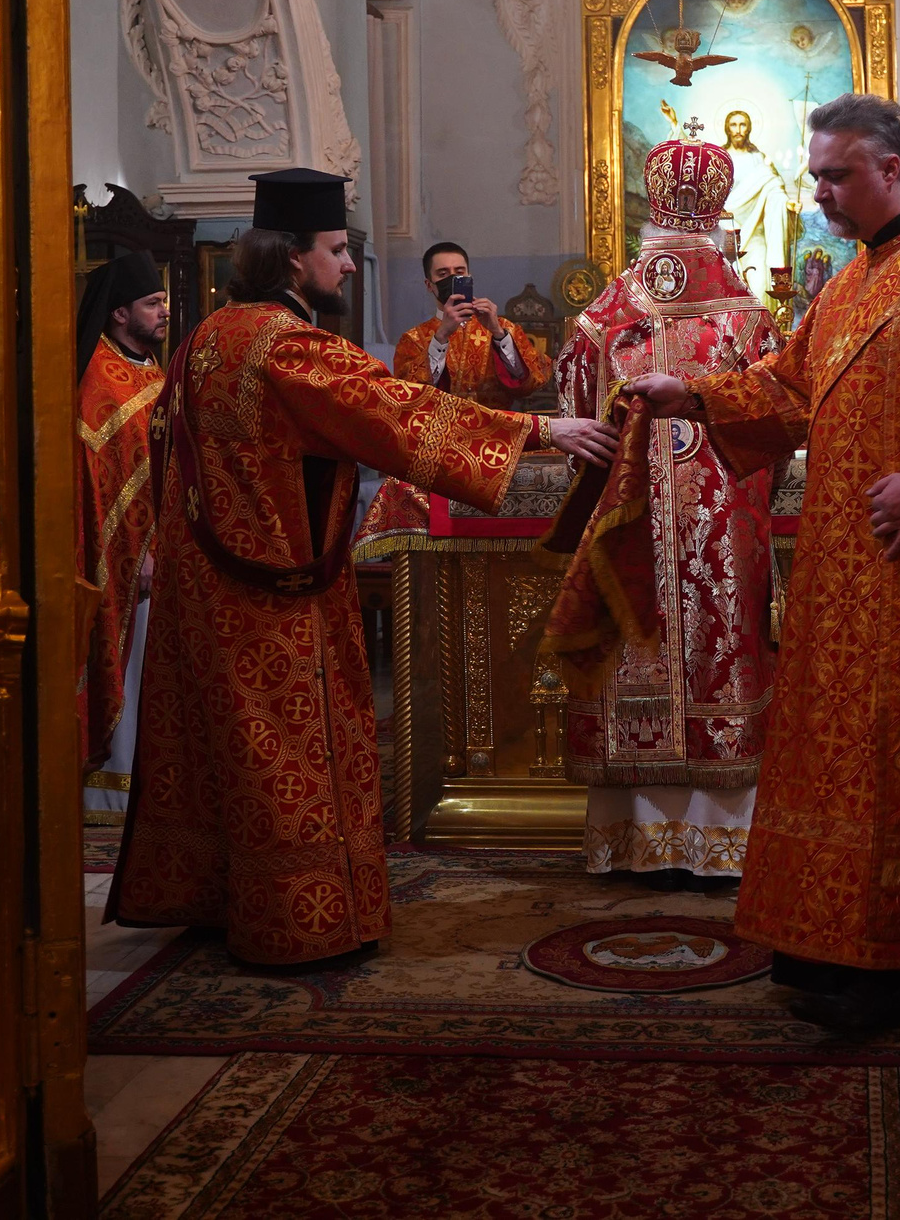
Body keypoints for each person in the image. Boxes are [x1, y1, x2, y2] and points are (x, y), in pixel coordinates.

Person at [108, 170, 617, 966]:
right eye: (338, 250)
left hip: (203, 589)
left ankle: (215, 897)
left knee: (224, 756)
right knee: (287, 756)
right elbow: (394, 409)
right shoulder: (287, 345)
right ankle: (297, 921)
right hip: (273, 597)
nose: (349, 266)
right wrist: (544, 436)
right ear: (290, 257)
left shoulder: (209, 335)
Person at [625, 94, 900, 1036]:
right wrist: (688, 391)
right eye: (815, 173)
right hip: (836, 564)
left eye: (836, 174)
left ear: (891, 168)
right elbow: (784, 389)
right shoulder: (851, 279)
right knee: (830, 753)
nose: (819, 191)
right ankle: (823, 941)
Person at [548, 134, 781, 884]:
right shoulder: (748, 319)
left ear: (652, 204)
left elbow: (577, 425)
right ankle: (722, 846)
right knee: (718, 648)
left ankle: (632, 841)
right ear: (718, 208)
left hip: (629, 522)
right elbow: (774, 428)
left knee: (633, 649)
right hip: (721, 528)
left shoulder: (602, 317)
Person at [74, 251, 168, 815]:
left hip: (163, 556)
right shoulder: (97, 381)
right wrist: (138, 557)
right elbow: (99, 491)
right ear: (118, 314)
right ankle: (113, 793)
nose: (163, 312)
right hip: (125, 566)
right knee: (129, 678)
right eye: (152, 304)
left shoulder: (150, 368)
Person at [391, 241, 553, 408]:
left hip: (495, 430)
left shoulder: (504, 328)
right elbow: (406, 395)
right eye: (443, 274)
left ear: (469, 277)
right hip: (443, 430)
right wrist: (440, 338)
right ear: (429, 285)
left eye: (459, 272)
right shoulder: (413, 339)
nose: (453, 278)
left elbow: (534, 381)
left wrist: (498, 333)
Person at [720, 109, 801, 290]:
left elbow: (773, 188)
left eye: (743, 125)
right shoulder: (720, 158)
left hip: (756, 234)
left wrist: (786, 203)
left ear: (749, 129)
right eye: (734, 125)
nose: (738, 129)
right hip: (725, 233)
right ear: (727, 128)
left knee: (760, 285)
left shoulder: (758, 159)